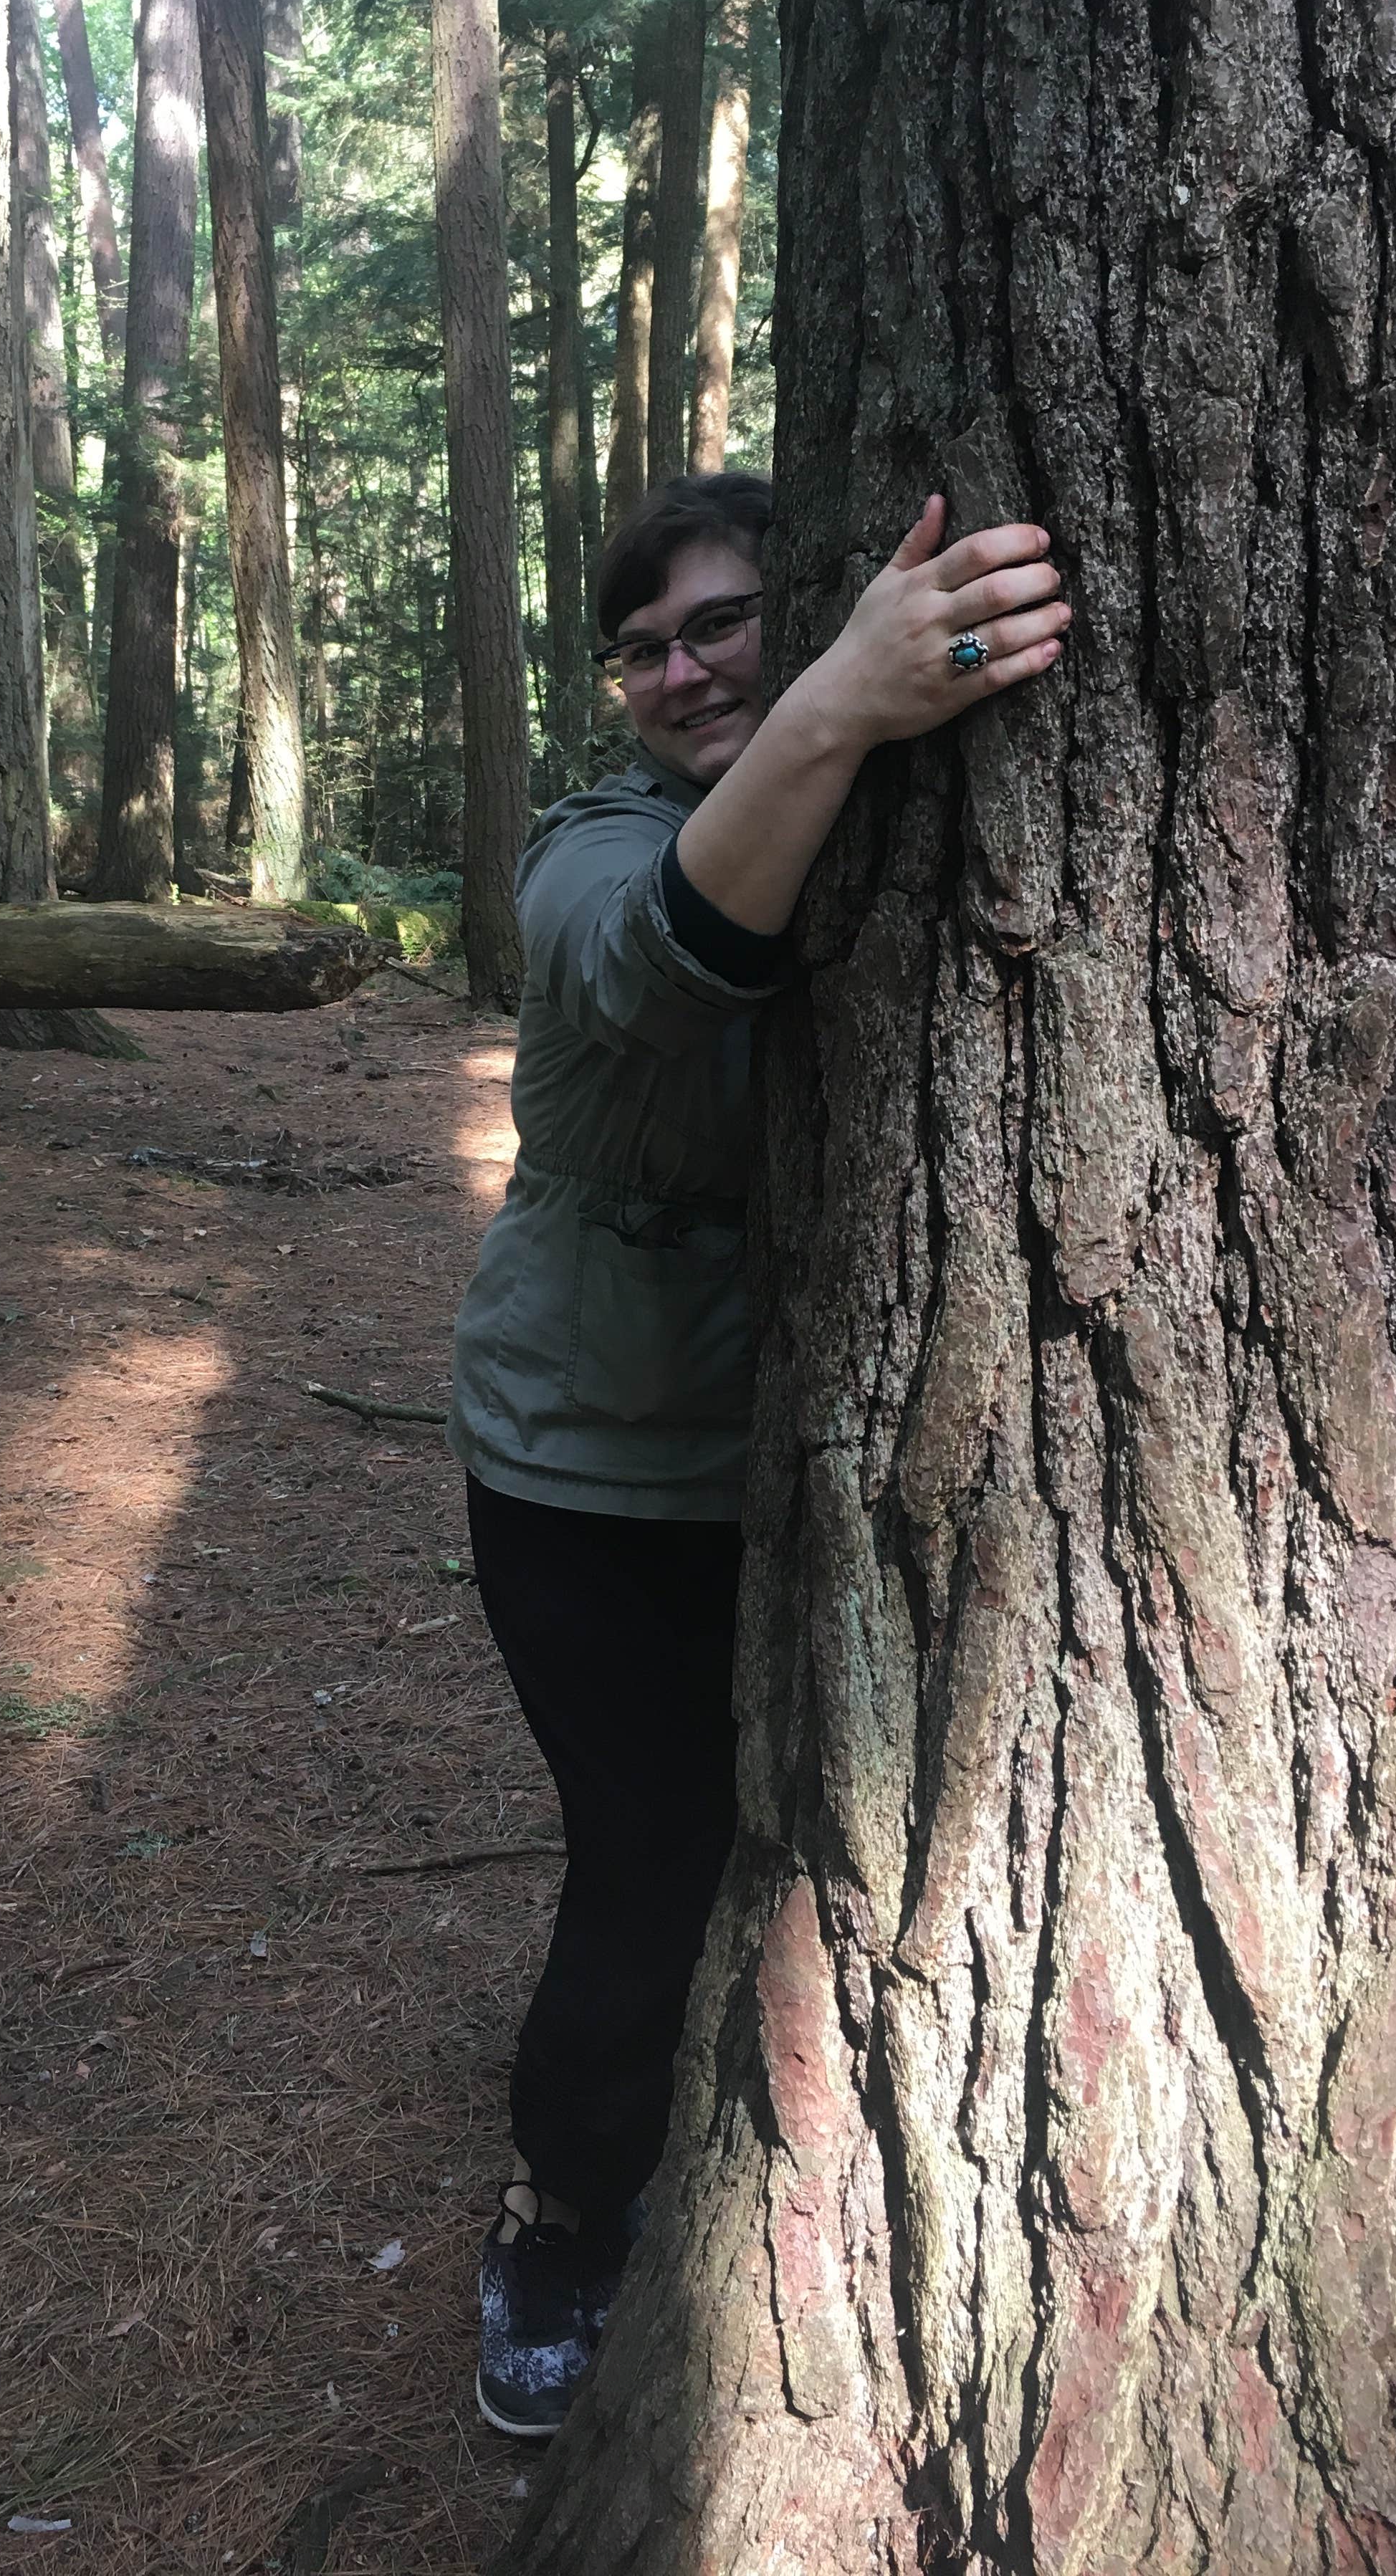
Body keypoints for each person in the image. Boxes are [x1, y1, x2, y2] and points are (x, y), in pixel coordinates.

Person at [449, 469, 1068, 2436]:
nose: (681, 668)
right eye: (642, 646)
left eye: (726, 622)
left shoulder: (870, 798)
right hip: (581, 1465)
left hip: (813, 1454)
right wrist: (842, 700)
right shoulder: (588, 848)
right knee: (655, 1850)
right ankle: (560, 2222)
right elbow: (660, 957)